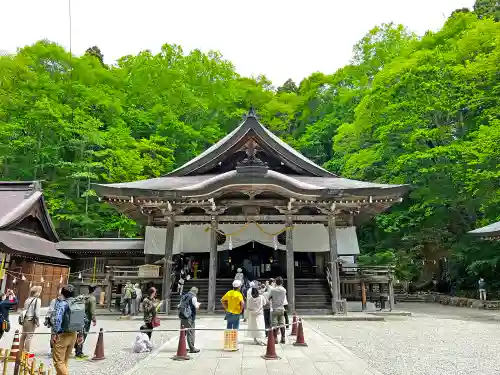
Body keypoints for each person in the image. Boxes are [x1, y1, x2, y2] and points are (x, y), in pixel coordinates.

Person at [51, 285, 83, 375]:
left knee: (58, 362)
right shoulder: (78, 303)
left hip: (62, 335)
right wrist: (81, 334)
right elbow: (82, 319)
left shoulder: (63, 303)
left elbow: (57, 319)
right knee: (64, 361)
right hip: (74, 334)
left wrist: (54, 333)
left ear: (62, 293)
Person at [74, 284, 97, 359]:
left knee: (78, 334)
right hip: (86, 319)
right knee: (83, 334)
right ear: (94, 289)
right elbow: (92, 310)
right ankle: (79, 352)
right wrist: (94, 320)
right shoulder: (92, 298)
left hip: (79, 317)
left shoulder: (84, 297)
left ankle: (77, 349)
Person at [177, 286, 201, 353]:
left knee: (183, 332)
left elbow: (180, 305)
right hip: (189, 317)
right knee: (190, 332)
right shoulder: (193, 297)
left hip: (183, 315)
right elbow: (196, 306)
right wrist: (198, 305)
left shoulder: (184, 296)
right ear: (195, 292)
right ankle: (192, 348)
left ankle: (182, 347)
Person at [264, 276, 287, 344]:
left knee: (274, 325)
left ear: (275, 282)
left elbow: (268, 297)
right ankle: (283, 338)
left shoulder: (273, 290)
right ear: (282, 282)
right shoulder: (284, 290)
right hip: (281, 308)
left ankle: (275, 338)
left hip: (274, 309)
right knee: (282, 324)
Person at [20, 285, 42, 353]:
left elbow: (24, 309)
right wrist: (37, 322)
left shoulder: (27, 299)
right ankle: (26, 353)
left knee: (23, 336)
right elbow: (37, 313)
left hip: (25, 319)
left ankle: (20, 350)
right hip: (31, 320)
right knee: (29, 337)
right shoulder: (37, 300)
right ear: (37, 292)